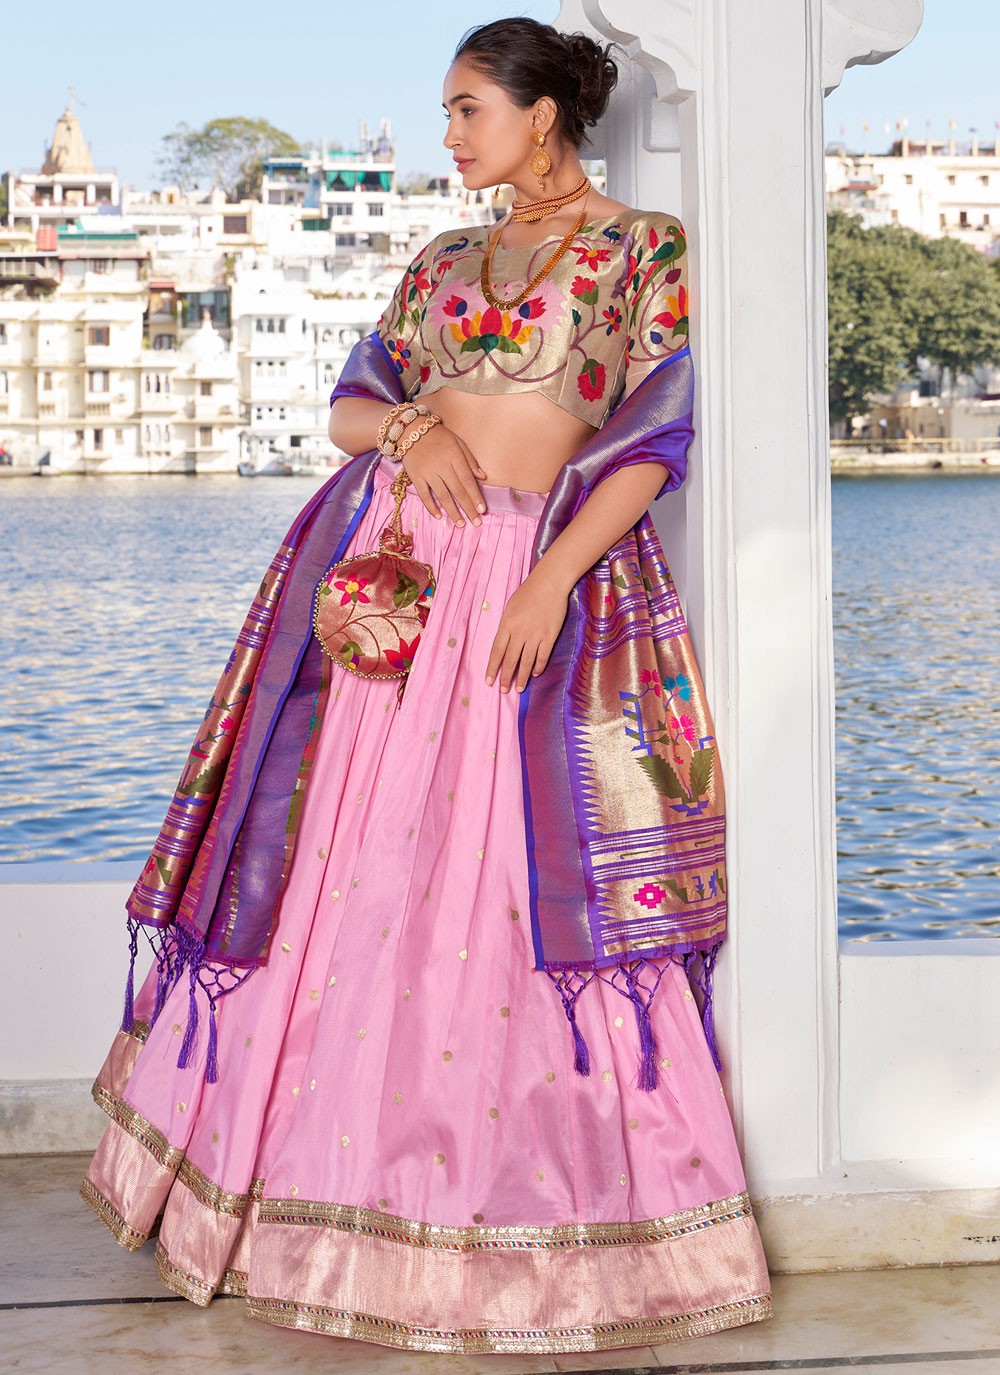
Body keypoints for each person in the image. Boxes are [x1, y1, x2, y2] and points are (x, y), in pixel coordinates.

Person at [79, 17, 772, 1354]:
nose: (450, 135)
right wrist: (408, 430)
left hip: (521, 580)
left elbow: (654, 439)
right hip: (396, 585)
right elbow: (351, 406)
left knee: (498, 874)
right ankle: (298, 1195)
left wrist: (550, 579)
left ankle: (500, 1222)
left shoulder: (642, 250)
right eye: (449, 112)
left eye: (467, 109)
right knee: (356, 867)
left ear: (541, 115)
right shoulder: (444, 258)